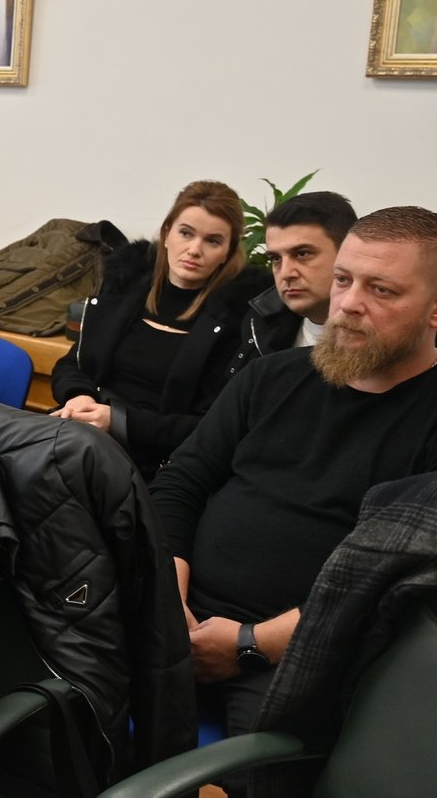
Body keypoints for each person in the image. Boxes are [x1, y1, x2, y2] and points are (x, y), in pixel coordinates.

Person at [151, 206, 437, 746]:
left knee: (267, 771)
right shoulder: (269, 378)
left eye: (381, 290)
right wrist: (168, 594)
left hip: (302, 655)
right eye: (344, 280)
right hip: (178, 614)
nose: (348, 303)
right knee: (60, 712)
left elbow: (390, 591)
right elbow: (181, 483)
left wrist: (249, 644)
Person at [50, 180, 269, 479]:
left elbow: (211, 425)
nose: (194, 250)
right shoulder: (124, 290)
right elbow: (71, 365)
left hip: (158, 463)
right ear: (167, 234)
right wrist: (79, 396)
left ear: (228, 252)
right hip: (82, 434)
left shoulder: (237, 322)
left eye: (213, 241)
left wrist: (119, 421)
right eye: (186, 233)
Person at [227, 191, 358, 378]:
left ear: (347, 253)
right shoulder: (261, 324)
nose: (286, 273)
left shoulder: (382, 339)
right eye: (276, 258)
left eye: (302, 254)